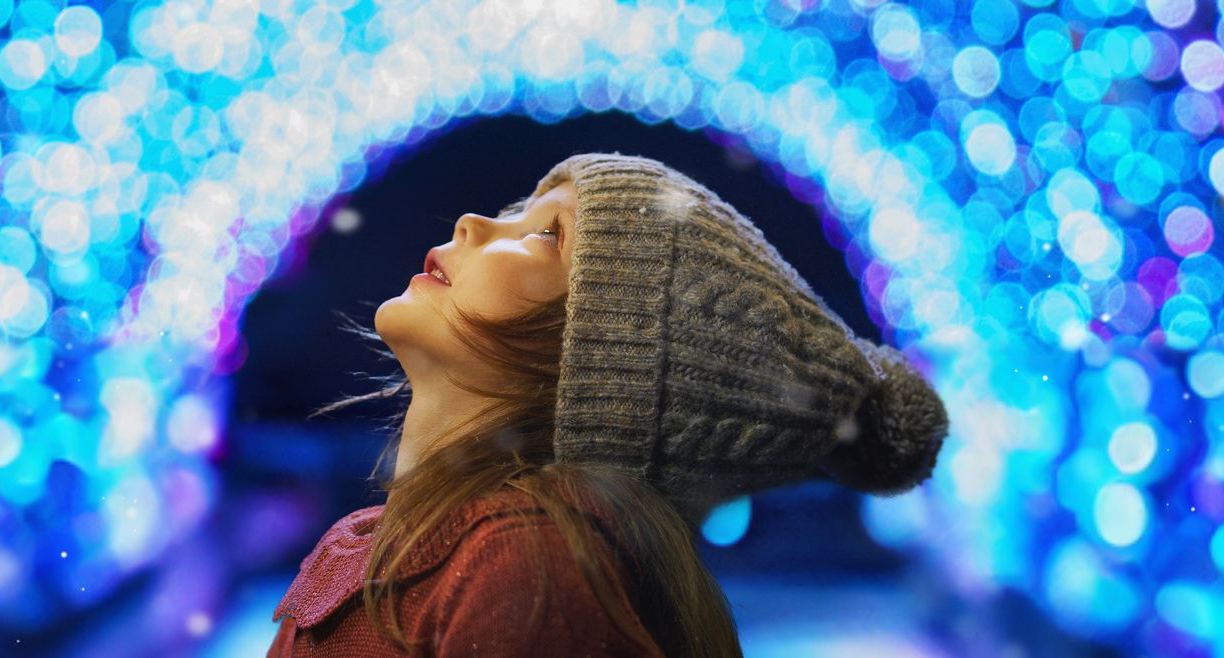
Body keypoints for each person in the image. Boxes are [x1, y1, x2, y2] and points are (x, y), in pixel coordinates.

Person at [265, 150, 951, 657]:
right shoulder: (422, 541)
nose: (472, 223)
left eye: (545, 235)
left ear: (599, 352)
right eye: (516, 213)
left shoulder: (523, 570)